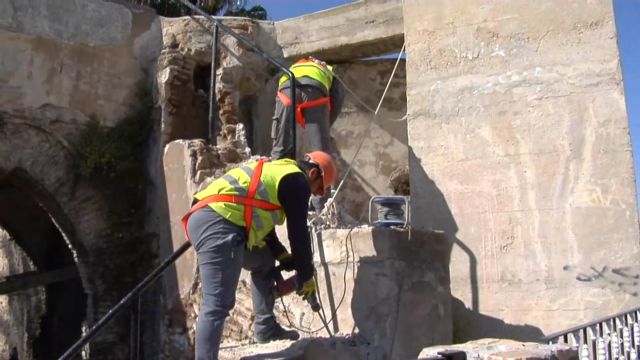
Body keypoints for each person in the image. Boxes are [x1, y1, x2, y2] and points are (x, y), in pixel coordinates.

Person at [182, 151, 338, 360]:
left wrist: (280, 254)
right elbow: (298, 234)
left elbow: (257, 211)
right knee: (217, 303)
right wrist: (306, 275)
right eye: (318, 189)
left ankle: (265, 328)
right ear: (312, 173)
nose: (317, 195)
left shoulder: (280, 171)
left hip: (217, 217)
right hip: (219, 221)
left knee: (264, 261)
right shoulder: (297, 182)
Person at [270, 57, 344, 161]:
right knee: (320, 152)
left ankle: (276, 168)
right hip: (313, 90)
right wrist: (324, 127)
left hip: (286, 89)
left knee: (280, 146)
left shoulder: (295, 66)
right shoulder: (329, 71)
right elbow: (336, 101)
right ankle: (319, 172)